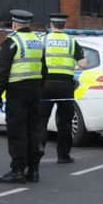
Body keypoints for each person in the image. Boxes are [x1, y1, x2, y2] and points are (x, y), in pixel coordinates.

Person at [0, 9, 44, 184]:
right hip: (35, 91)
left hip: (17, 92)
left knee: (17, 132)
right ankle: (34, 170)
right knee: (33, 131)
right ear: (28, 24)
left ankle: (18, 170)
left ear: (14, 24)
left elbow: (3, 71)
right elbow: (44, 69)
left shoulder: (11, 42)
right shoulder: (38, 42)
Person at [39, 13, 87, 164]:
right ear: (64, 25)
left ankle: (38, 149)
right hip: (65, 86)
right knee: (65, 122)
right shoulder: (72, 42)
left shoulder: (43, 40)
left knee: (41, 120)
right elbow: (83, 64)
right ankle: (63, 156)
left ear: (51, 25)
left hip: (46, 84)